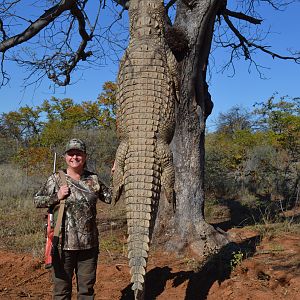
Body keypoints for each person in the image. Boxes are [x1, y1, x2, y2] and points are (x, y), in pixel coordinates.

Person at [34, 138, 111, 300]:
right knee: (61, 292)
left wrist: (116, 174)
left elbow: (110, 197)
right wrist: (57, 196)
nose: (74, 157)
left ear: (85, 156)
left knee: (86, 292)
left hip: (88, 247)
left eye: (78, 154)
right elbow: (37, 200)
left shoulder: (93, 180)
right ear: (65, 157)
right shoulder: (55, 179)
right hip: (62, 246)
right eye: (71, 154)